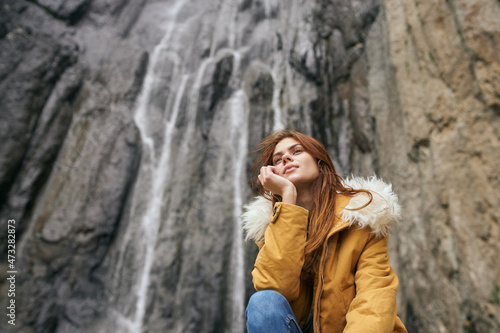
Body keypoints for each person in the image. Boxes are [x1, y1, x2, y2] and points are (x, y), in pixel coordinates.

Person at [242, 130, 407, 333]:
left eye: (297, 150)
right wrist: (288, 196)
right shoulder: (273, 227)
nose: (286, 157)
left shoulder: (361, 221)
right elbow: (276, 287)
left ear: (319, 161)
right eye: (278, 159)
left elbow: (374, 301)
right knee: (263, 303)